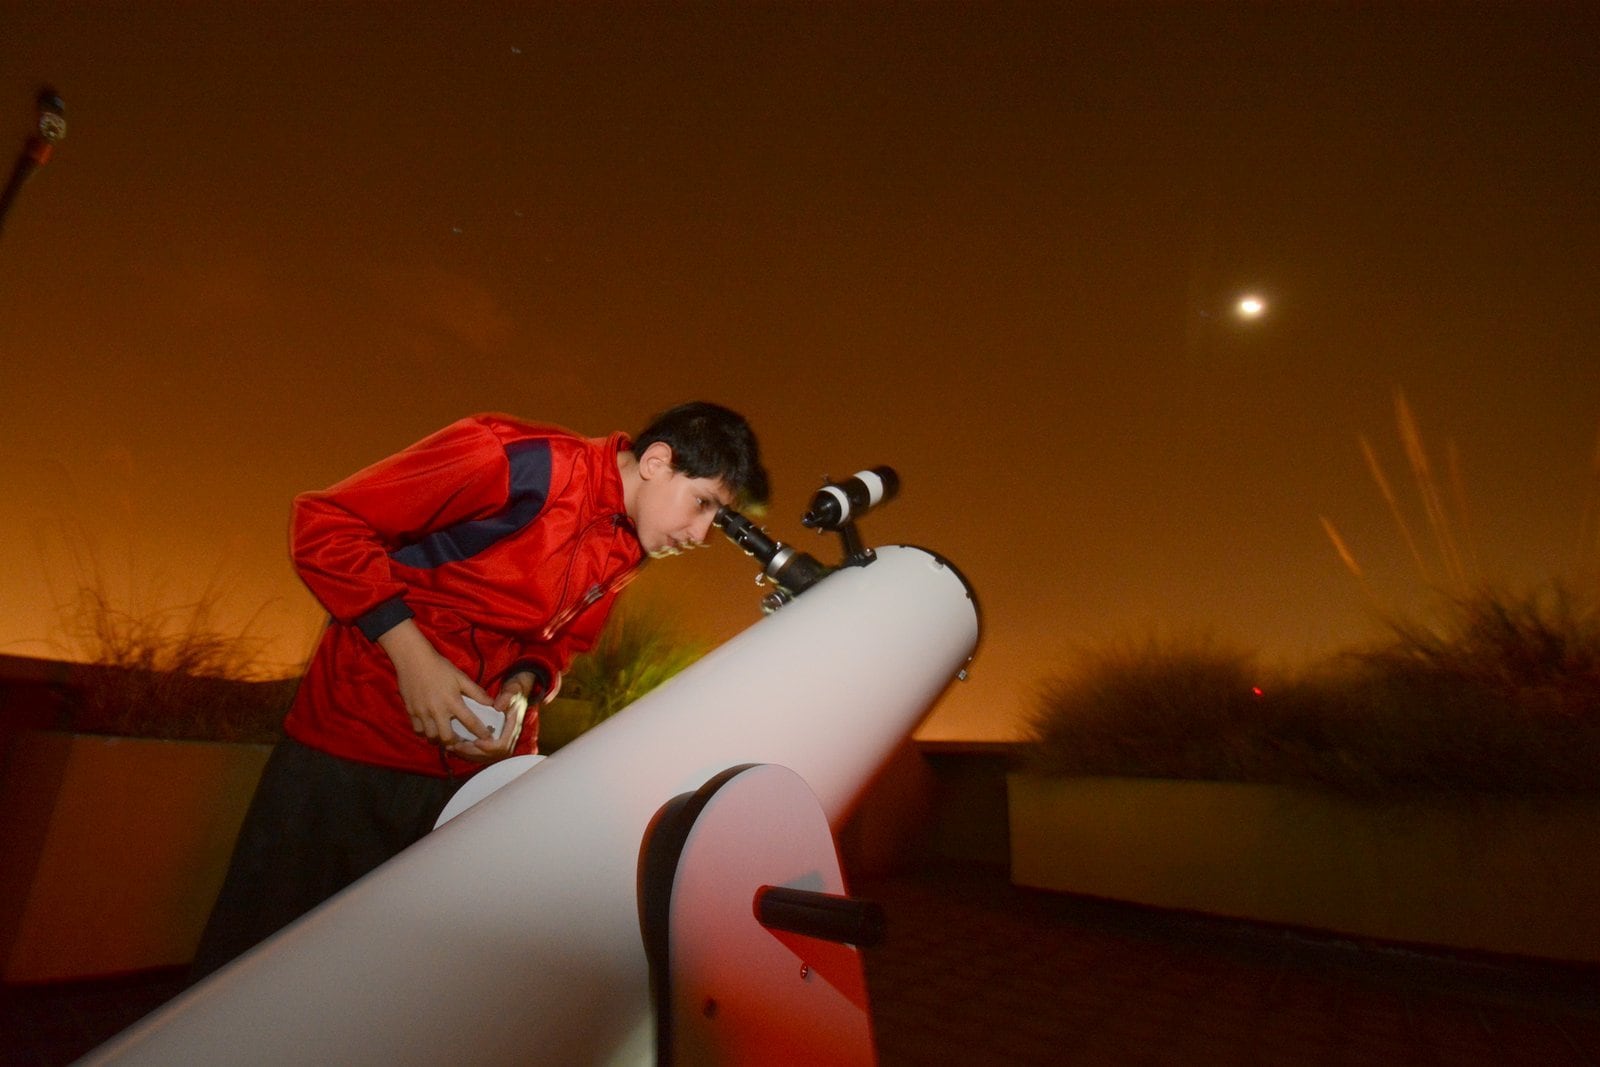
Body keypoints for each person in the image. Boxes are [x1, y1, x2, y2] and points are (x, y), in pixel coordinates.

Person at [190, 402, 769, 981]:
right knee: (251, 973)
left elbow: (557, 644)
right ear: (657, 462)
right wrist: (412, 660)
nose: (700, 535)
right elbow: (324, 525)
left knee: (381, 988)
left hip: (468, 784)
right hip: (348, 755)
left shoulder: (631, 545)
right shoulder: (516, 461)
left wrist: (523, 688)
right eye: (703, 504)